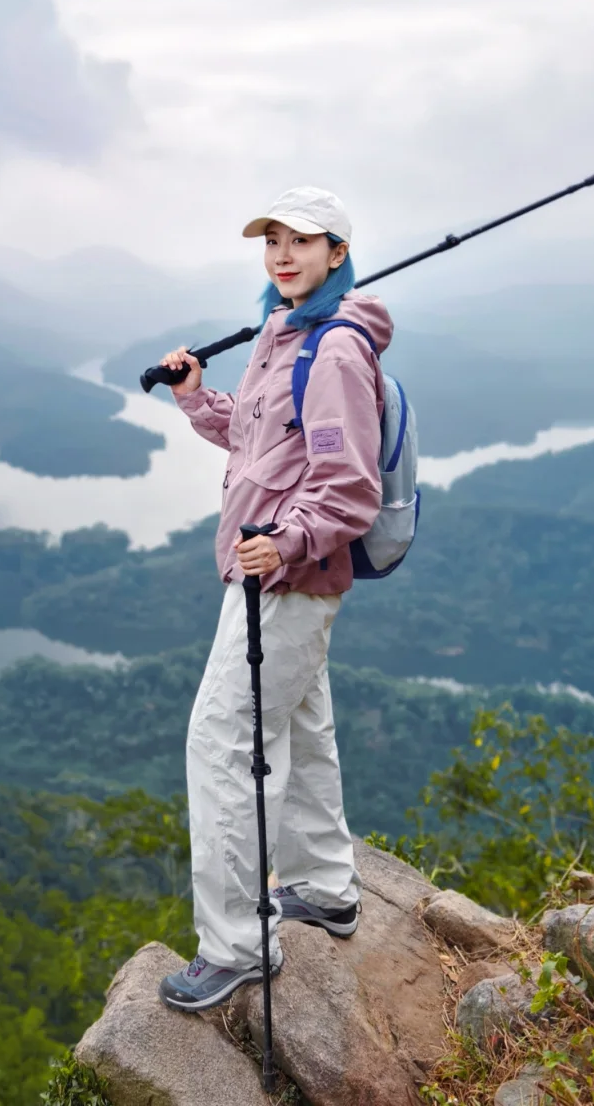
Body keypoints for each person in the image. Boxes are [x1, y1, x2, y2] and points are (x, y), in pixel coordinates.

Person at [157, 185, 394, 1011]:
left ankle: (234, 947)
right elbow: (261, 442)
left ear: (338, 252)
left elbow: (348, 488)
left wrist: (287, 540)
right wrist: (195, 396)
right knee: (300, 723)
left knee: (222, 744)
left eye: (302, 241)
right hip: (268, 574)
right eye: (272, 242)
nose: (283, 254)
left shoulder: (332, 352)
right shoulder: (282, 333)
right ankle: (325, 887)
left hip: (284, 578)